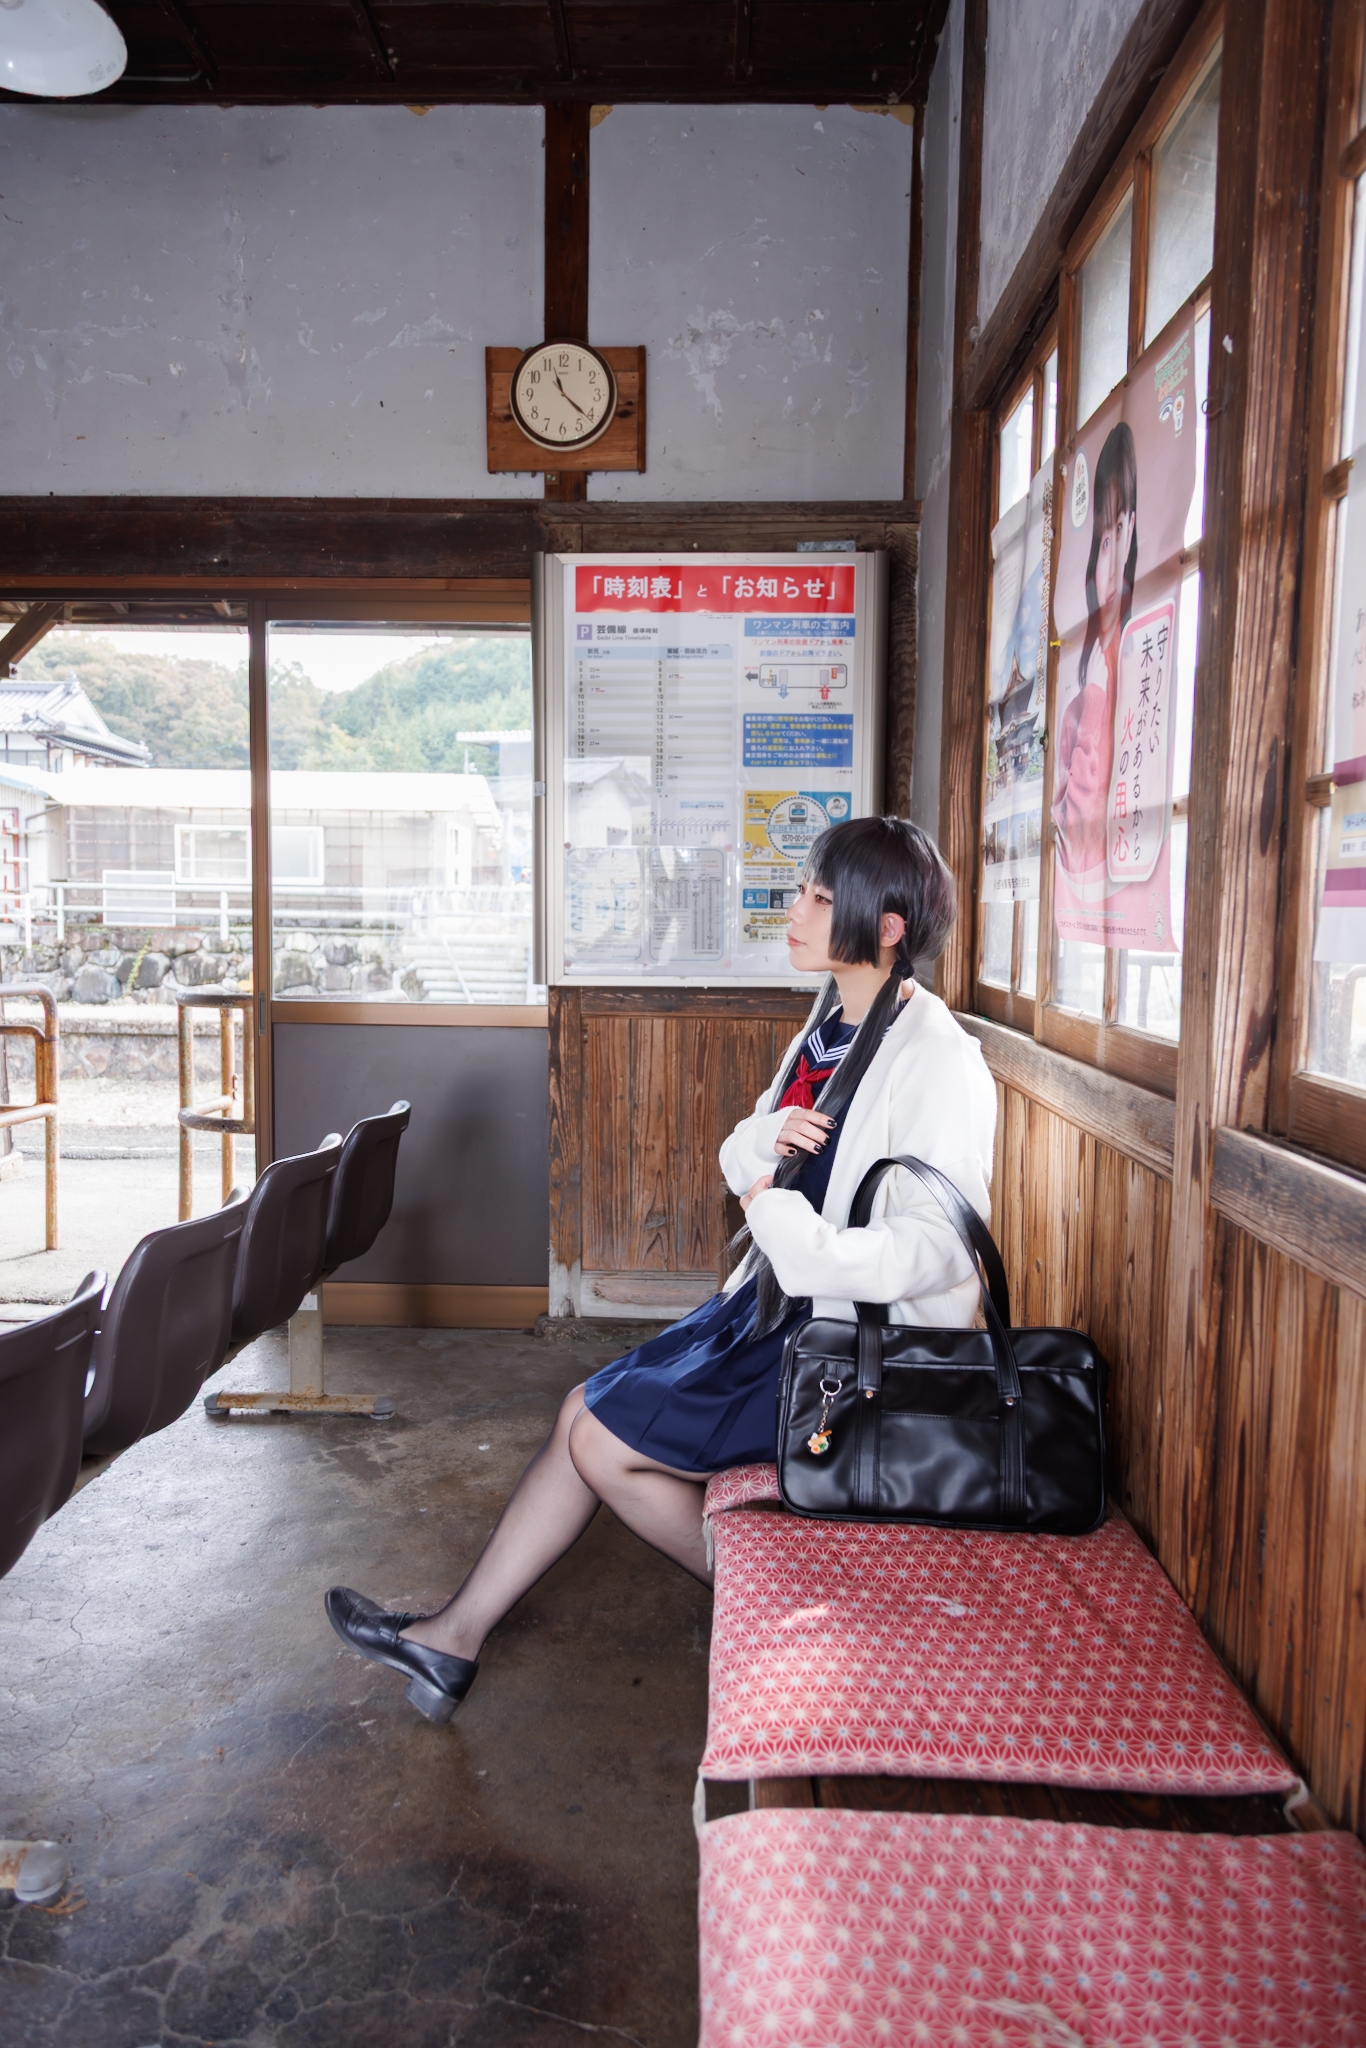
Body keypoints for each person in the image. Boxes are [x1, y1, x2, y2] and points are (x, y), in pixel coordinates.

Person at [325, 815, 998, 1725]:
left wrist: (784, 1222)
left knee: (601, 1440)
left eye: (819, 897)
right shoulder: (831, 1023)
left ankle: (773, 1610)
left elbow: (939, 1247)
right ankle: (452, 1639)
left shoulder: (937, 1055)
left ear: (886, 927)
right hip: (774, 1307)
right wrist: (768, 1150)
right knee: (581, 1410)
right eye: (802, 890)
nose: (794, 910)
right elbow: (742, 1150)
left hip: (844, 1354)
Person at [1054, 421, 1138, 881]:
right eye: (1102, 540)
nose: (1108, 560)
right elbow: (1074, 844)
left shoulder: (1133, 663)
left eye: (1119, 528)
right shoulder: (1083, 688)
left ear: (1133, 528)